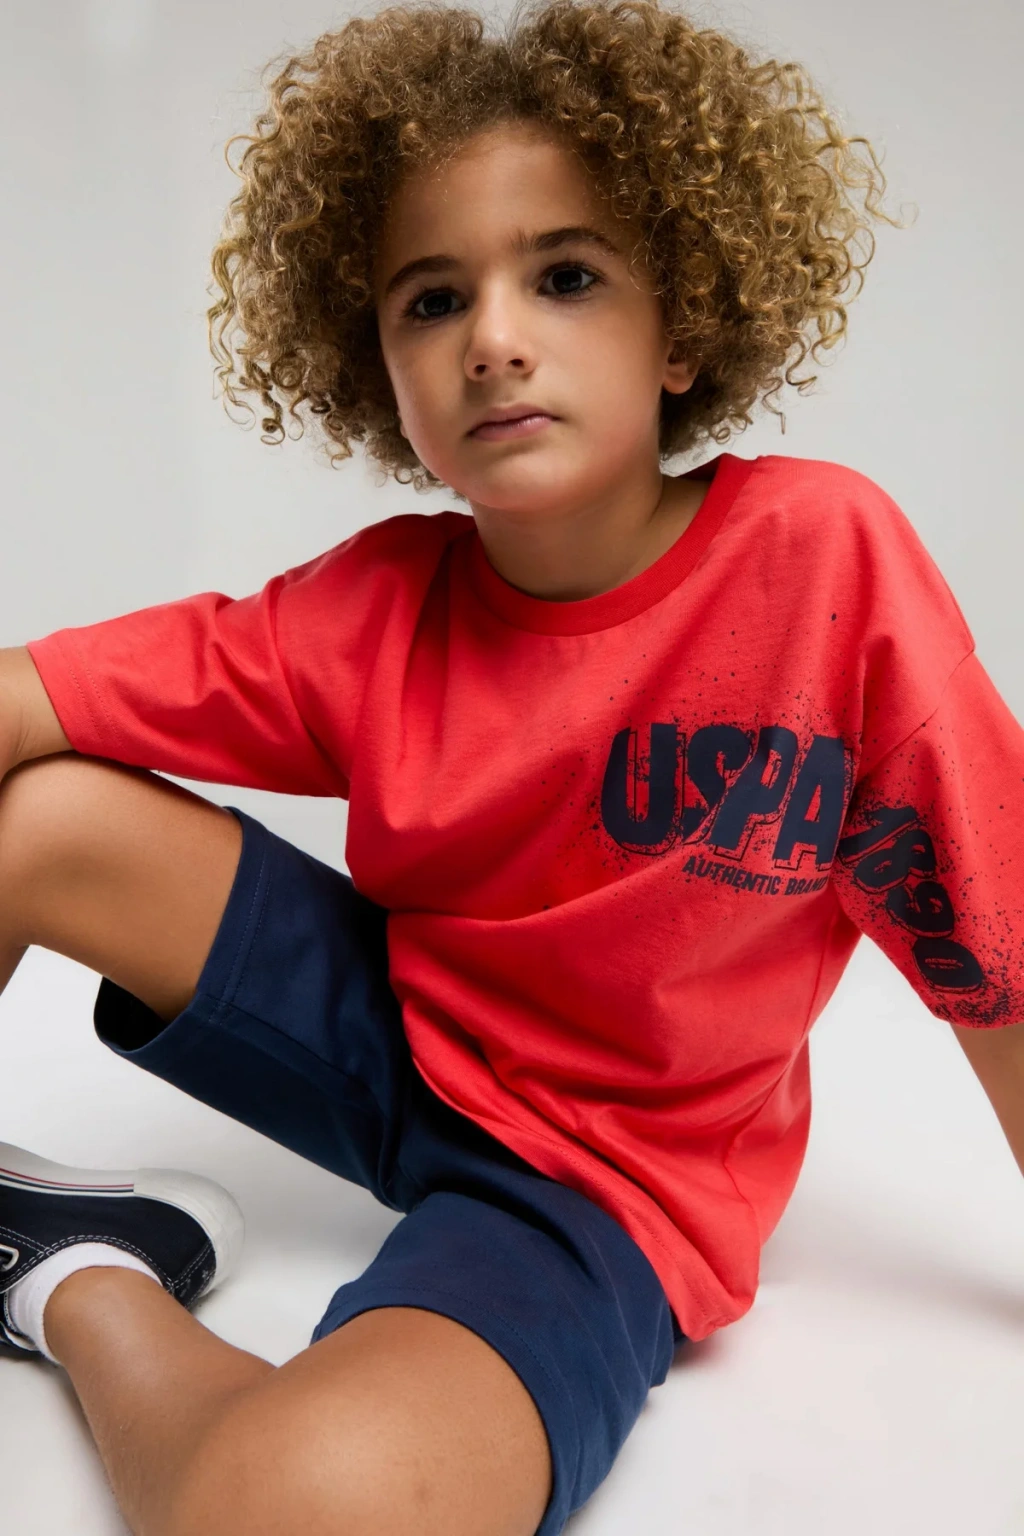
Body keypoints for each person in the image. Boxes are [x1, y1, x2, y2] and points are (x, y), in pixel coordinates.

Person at [2, 0, 1022, 1531]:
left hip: (601, 1187)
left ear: (682, 328)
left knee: (278, 1511)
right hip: (394, 1043)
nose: (493, 336)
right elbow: (29, 695)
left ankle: (80, 1275)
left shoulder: (823, 565)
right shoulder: (375, 608)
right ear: (382, 372)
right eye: (432, 299)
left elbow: (998, 951)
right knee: (39, 816)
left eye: (565, 275)